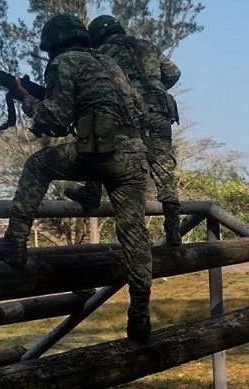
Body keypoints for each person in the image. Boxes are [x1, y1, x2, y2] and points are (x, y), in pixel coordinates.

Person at [0, 14, 155, 342]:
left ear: (53, 45)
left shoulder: (63, 63)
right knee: (135, 235)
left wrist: (26, 98)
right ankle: (140, 314)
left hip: (102, 153)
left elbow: (54, 120)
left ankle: (14, 243)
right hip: (135, 155)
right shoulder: (111, 64)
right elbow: (136, 108)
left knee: (36, 165)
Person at [63, 14, 184, 246]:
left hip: (131, 111)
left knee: (106, 149)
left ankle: (92, 192)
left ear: (96, 37)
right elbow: (173, 73)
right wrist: (154, 87)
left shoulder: (103, 55)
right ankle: (173, 229)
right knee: (164, 169)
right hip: (161, 111)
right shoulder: (146, 45)